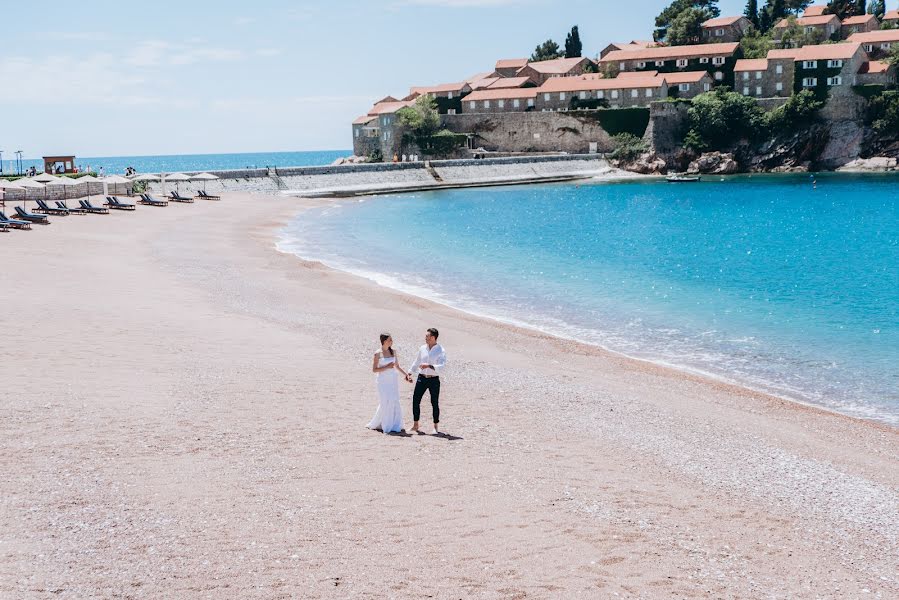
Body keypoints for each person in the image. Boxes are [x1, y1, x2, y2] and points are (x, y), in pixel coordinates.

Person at [406, 328, 446, 435]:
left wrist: (428, 365)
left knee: (434, 403)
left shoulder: (441, 350)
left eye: (427, 336)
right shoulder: (422, 348)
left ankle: (435, 427)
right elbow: (417, 361)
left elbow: (442, 366)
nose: (425, 338)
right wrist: (409, 372)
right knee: (415, 400)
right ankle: (415, 425)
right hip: (421, 377)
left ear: (433, 337)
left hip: (434, 380)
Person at [366, 333, 409, 433]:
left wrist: (406, 375)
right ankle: (385, 424)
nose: (392, 341)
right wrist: (387, 367)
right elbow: (374, 370)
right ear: (384, 341)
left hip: (393, 380)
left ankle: (395, 424)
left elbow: (397, 366)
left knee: (394, 400)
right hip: (383, 381)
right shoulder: (378, 353)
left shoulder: (393, 352)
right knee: (385, 401)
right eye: (390, 340)